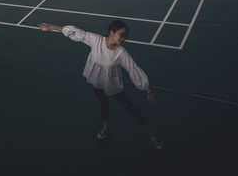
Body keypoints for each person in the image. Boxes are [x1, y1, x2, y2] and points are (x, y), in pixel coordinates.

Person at [38, 20, 163, 151]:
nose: (124, 38)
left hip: (112, 84)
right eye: (121, 35)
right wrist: (52, 27)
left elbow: (134, 70)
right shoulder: (96, 40)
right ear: (111, 33)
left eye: (126, 36)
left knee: (128, 107)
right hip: (96, 80)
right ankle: (107, 126)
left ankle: (152, 133)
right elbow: (78, 33)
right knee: (103, 103)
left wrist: (148, 90)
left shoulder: (121, 53)